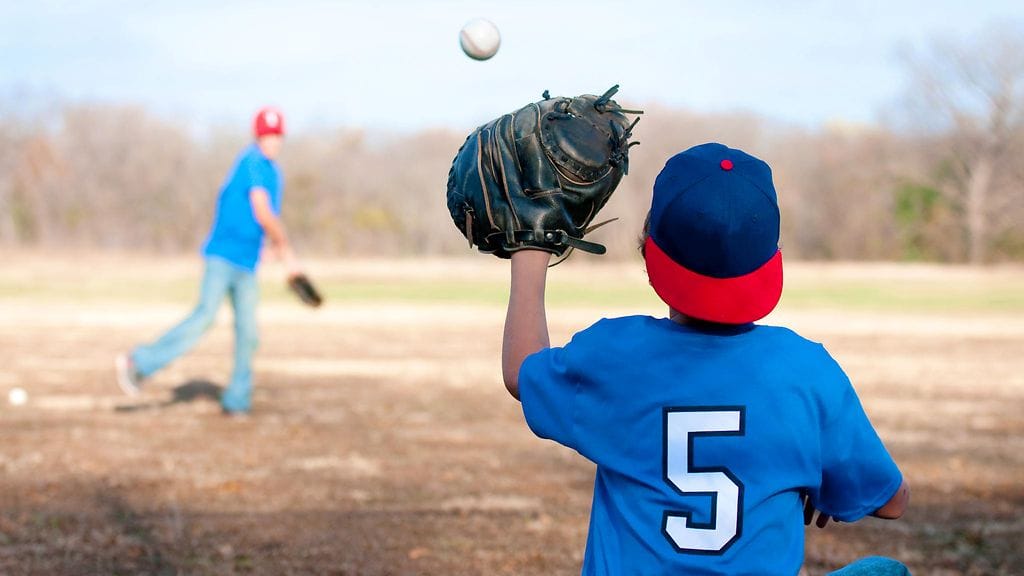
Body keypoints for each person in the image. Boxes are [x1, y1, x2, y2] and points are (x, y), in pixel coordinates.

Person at [502, 143, 911, 574]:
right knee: (886, 571)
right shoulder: (806, 372)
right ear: (771, 261)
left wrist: (530, 249)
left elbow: (521, 373)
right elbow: (892, 502)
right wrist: (815, 479)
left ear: (648, 252)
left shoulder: (615, 355)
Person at [116, 107, 299, 415]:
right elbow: (263, 211)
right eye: (267, 135)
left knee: (249, 333)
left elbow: (263, 222)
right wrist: (287, 249)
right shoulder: (251, 161)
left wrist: (270, 249)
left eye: (277, 135)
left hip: (247, 262)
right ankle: (139, 362)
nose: (272, 141)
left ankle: (237, 400)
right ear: (257, 136)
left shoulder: (274, 173)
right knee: (204, 317)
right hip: (221, 257)